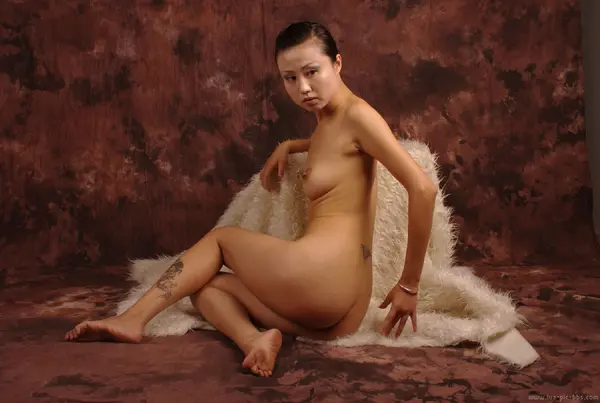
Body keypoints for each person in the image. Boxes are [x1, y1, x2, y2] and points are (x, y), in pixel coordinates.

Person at [64, 21, 438, 377]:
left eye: (312, 72)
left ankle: (133, 320)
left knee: (219, 240)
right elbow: (338, 147)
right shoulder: (331, 120)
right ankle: (254, 341)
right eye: (290, 78)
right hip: (341, 313)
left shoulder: (358, 116)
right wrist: (290, 145)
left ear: (337, 63)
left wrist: (409, 285)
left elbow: (423, 189)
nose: (303, 87)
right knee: (204, 288)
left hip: (323, 279)